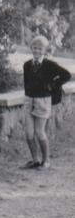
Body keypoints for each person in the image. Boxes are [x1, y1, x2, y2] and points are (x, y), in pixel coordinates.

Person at [21, 35, 71, 170]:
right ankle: (35, 160)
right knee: (29, 133)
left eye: (40, 48)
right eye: (34, 48)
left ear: (45, 50)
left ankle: (46, 161)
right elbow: (26, 83)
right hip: (28, 100)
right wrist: (27, 96)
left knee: (39, 132)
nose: (37, 51)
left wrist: (52, 84)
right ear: (31, 48)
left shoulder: (49, 65)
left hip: (42, 100)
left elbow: (67, 75)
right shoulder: (27, 65)